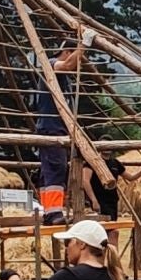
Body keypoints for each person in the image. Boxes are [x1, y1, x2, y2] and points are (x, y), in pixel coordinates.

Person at [34, 31, 95, 226]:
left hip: (58, 128)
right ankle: (53, 212)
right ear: (67, 52)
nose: (76, 63)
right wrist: (84, 44)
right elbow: (67, 65)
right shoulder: (52, 64)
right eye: (75, 55)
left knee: (50, 170)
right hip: (50, 127)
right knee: (56, 168)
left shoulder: (65, 79)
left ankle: (49, 212)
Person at [82, 157, 128, 221]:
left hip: (112, 200)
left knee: (112, 224)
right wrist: (94, 200)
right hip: (100, 200)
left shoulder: (115, 162)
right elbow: (85, 181)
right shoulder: (93, 161)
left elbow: (130, 177)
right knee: (104, 224)